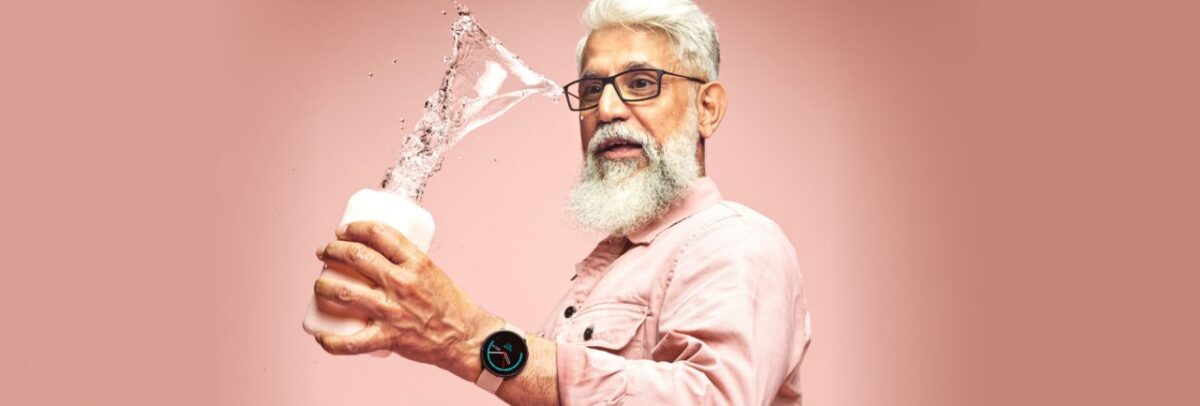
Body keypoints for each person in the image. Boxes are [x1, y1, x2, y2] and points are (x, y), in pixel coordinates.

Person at [309, 0, 811, 404]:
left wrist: (466, 339)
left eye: (640, 83)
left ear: (708, 108)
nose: (607, 109)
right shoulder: (607, 270)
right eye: (592, 89)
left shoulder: (738, 243)